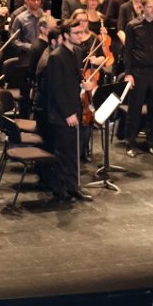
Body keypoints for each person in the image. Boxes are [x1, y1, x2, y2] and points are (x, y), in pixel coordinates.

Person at [43, 20, 95, 202]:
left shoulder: (78, 51)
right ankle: (60, 189)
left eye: (81, 33)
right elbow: (56, 88)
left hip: (76, 107)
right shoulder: (56, 57)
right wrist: (67, 113)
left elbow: (75, 76)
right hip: (63, 113)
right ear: (65, 36)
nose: (80, 36)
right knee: (63, 152)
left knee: (74, 152)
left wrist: (84, 83)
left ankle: (73, 188)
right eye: (76, 33)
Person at [122, 0, 153, 157]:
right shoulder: (132, 26)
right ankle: (130, 143)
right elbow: (127, 51)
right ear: (142, 7)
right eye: (150, 7)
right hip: (137, 72)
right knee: (134, 109)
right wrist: (128, 74)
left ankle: (151, 142)